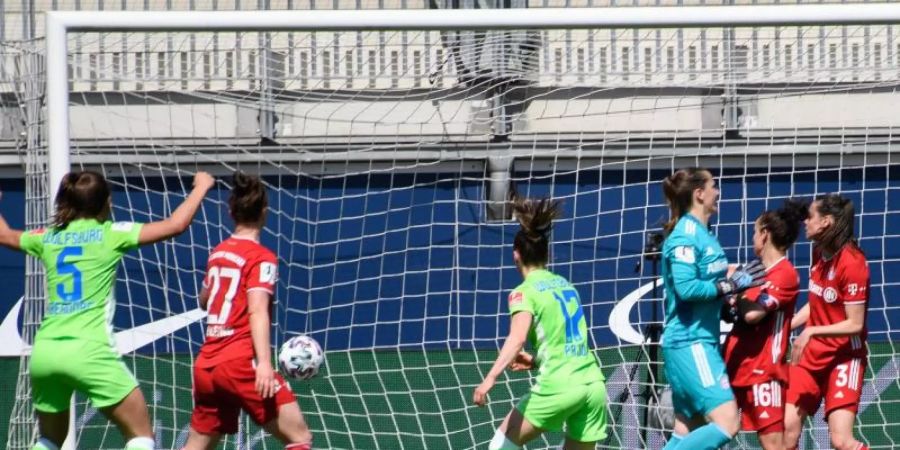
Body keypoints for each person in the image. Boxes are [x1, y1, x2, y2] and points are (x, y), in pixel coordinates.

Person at [0, 170, 215, 450]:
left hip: (46, 352)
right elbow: (175, 225)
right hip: (90, 351)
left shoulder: (48, 238)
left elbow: (4, 235)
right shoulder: (110, 234)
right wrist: (201, 187)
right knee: (140, 437)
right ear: (106, 203)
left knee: (49, 440)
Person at [182, 172, 313, 450]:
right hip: (239, 362)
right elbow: (257, 310)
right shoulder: (261, 257)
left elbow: (204, 300)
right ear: (264, 212)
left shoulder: (217, 253)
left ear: (231, 212)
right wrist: (264, 363)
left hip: (207, 366)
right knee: (299, 437)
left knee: (196, 446)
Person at [472, 196, 607, 450]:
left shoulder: (524, 292)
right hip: (593, 386)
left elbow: (518, 338)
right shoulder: (568, 287)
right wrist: (535, 361)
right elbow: (565, 344)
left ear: (516, 255)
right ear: (546, 254)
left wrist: (490, 378)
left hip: (560, 387)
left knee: (500, 445)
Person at [659, 167, 765, 450]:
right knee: (728, 422)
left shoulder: (705, 235)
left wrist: (726, 300)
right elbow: (687, 289)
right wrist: (728, 287)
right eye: (713, 186)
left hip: (701, 341)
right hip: (689, 343)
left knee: (688, 430)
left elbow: (708, 286)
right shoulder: (684, 236)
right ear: (699, 194)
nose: (717, 192)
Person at [784, 194, 870, 450]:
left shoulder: (853, 263)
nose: (805, 222)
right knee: (786, 430)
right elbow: (818, 302)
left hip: (844, 357)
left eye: (810, 216)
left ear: (826, 222)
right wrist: (789, 326)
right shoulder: (818, 252)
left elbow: (854, 323)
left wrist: (810, 332)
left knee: (841, 441)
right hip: (811, 358)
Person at [722, 199, 807, 450]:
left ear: (764, 234)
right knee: (713, 429)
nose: (752, 237)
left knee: (772, 445)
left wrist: (734, 292)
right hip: (733, 364)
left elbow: (753, 315)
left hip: (763, 372)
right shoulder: (754, 269)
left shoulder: (785, 274)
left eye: (754, 231)